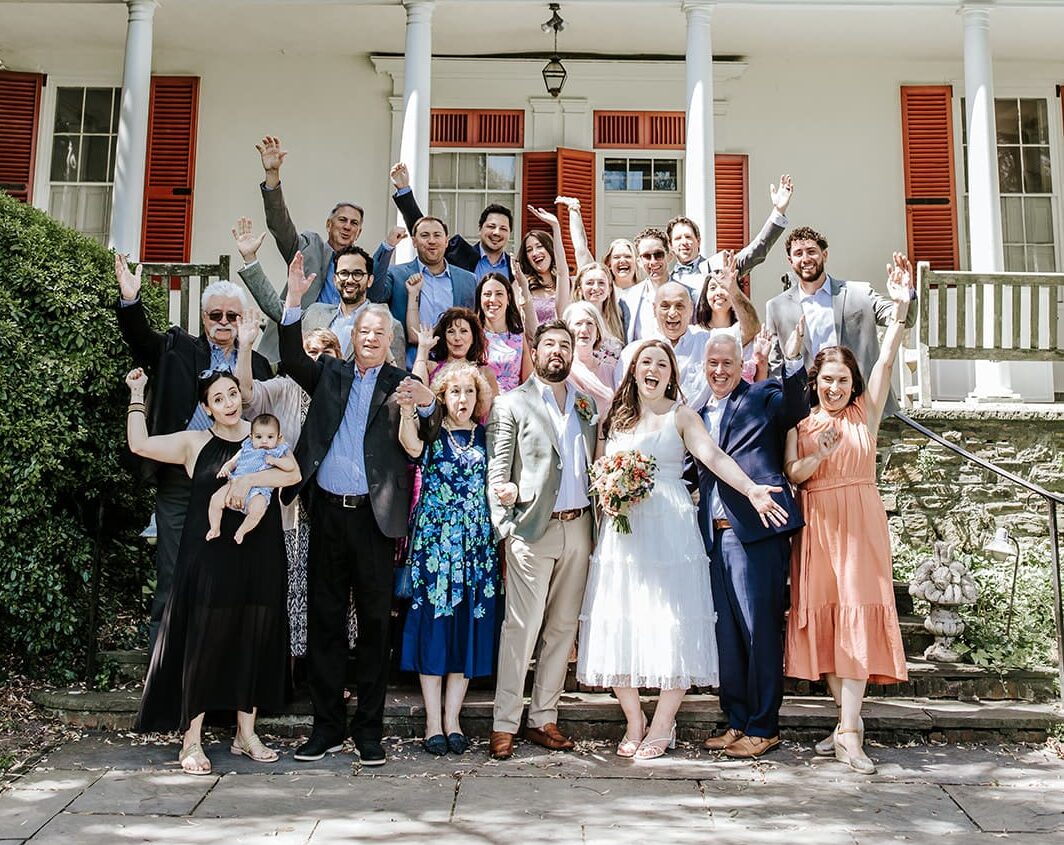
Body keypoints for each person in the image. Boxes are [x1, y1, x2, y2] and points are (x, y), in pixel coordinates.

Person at [577, 340, 788, 760]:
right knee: (619, 621)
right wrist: (609, 493)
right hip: (624, 536)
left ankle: (663, 722)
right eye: (645, 362)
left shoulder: (683, 416)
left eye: (662, 363)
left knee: (673, 623)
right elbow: (598, 472)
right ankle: (635, 719)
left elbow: (713, 456)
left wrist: (752, 490)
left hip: (671, 533)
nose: (652, 369)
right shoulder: (614, 420)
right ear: (633, 370)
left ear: (672, 374)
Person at [279, 254, 439, 766]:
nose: (370, 338)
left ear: (390, 339)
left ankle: (369, 730)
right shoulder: (328, 373)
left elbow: (427, 435)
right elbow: (290, 354)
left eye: (379, 332)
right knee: (325, 622)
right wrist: (292, 299)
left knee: (374, 627)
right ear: (351, 335)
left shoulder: (401, 384)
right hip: (325, 512)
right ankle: (326, 726)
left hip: (376, 519)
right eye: (364, 331)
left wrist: (429, 401)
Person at [128, 367, 299, 775]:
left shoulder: (263, 437)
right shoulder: (194, 443)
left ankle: (246, 733)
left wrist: (248, 480)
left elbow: (292, 473)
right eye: (217, 398)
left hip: (258, 552)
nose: (228, 402)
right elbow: (138, 444)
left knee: (253, 635)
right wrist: (137, 393)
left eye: (232, 394)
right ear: (206, 408)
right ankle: (191, 739)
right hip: (208, 556)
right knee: (201, 641)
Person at [784, 253, 915, 775]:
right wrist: (819, 453)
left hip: (859, 526)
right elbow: (793, 473)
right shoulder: (804, 422)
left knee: (858, 618)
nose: (834, 387)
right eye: (826, 380)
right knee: (831, 623)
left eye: (842, 380)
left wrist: (900, 307)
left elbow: (884, 360)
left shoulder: (866, 413)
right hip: (818, 527)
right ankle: (843, 726)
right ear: (815, 382)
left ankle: (850, 730)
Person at [115, 255, 273, 647]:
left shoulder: (259, 365)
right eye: (215, 314)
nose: (223, 321)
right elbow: (140, 340)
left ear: (242, 320)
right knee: (172, 575)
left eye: (232, 316)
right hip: (181, 482)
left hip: (234, 486)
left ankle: (212, 674)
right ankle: (162, 670)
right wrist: (130, 301)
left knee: (225, 577)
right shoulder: (177, 348)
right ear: (204, 319)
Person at [695, 330, 808, 759]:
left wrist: (793, 358)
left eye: (727, 363)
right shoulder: (696, 412)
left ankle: (764, 726)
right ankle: (737, 720)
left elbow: (798, 408)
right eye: (713, 364)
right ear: (704, 367)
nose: (720, 371)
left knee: (759, 631)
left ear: (739, 364)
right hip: (715, 535)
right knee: (728, 635)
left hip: (759, 532)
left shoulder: (763, 396)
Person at [486, 321, 597, 761]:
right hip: (532, 530)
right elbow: (497, 471)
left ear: (572, 354)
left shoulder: (585, 405)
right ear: (534, 349)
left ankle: (543, 717)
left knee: (562, 628)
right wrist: (505, 528)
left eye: (564, 345)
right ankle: (504, 723)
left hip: (580, 527)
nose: (557, 351)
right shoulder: (511, 403)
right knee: (521, 627)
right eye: (549, 343)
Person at [233, 320, 356, 662]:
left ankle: (329, 666)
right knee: (289, 585)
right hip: (290, 508)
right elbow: (246, 396)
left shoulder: (346, 391)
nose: (317, 360)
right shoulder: (284, 387)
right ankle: (287, 668)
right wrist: (245, 348)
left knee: (332, 589)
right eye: (310, 352)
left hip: (333, 506)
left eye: (325, 353)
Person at [398, 361, 499, 756]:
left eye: (469, 392)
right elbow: (410, 444)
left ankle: (454, 718)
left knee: (465, 630)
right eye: (455, 391)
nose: (463, 398)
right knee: (433, 629)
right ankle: (432, 721)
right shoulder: (434, 433)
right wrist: (410, 406)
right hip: (436, 549)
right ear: (443, 396)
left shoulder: (488, 437)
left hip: (476, 548)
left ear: (479, 398)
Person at [253, 135, 403, 362]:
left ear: (359, 233)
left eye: (354, 224)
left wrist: (387, 247)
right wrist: (272, 176)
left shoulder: (358, 267)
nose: (347, 226)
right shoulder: (309, 247)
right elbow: (280, 226)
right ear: (328, 225)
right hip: (297, 345)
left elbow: (375, 293)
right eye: (342, 220)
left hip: (344, 354)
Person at [764, 226, 919, 416]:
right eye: (798, 253)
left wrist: (907, 295)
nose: (805, 259)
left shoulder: (860, 293)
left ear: (825, 255)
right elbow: (776, 366)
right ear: (790, 260)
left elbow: (905, 319)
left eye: (812, 251)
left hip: (860, 405)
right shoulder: (776, 307)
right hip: (808, 412)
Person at [235, 219, 406, 366]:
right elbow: (277, 309)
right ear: (335, 279)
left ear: (369, 280)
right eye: (344, 273)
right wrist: (250, 259)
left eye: (357, 273)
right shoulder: (316, 313)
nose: (350, 279)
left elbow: (395, 383)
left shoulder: (390, 326)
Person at [666, 174, 794, 298]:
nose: (684, 242)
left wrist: (778, 212)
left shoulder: (720, 264)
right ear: (670, 246)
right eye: (678, 238)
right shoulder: (666, 280)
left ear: (698, 241)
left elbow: (755, 251)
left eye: (688, 237)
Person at [390, 162, 513, 283]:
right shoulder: (458, 252)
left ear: (509, 233)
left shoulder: (515, 268)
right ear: (480, 229)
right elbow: (423, 228)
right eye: (491, 226)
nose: (496, 232)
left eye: (503, 228)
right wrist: (404, 190)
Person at [379, 216, 478, 365]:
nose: (431, 240)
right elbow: (374, 293)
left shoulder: (468, 280)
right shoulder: (396, 274)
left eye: (437, 235)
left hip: (454, 368)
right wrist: (388, 247)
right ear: (414, 241)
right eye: (424, 235)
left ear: (446, 241)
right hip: (408, 365)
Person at [616, 282, 713, 412]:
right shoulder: (632, 353)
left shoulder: (709, 343)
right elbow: (622, 401)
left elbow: (747, 334)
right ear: (654, 309)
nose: (672, 313)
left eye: (679, 306)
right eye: (665, 306)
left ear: (691, 309)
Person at [206, 412, 296, 545]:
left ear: (278, 438)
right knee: (215, 499)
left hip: (259, 491)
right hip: (235, 483)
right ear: (251, 437)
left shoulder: (277, 452)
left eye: (270, 437)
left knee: (258, 509)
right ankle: (215, 527)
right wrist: (226, 469)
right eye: (259, 437)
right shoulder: (246, 448)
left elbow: (291, 466)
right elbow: (233, 462)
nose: (264, 441)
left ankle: (242, 530)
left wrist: (275, 461)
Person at [694, 250, 764, 383]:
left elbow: (752, 327)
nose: (719, 292)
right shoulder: (696, 333)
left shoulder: (742, 330)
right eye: (713, 287)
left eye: (724, 288)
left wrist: (733, 288)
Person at [411, 307, 500, 410]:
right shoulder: (430, 367)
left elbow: (495, 414)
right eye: (451, 332)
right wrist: (423, 349)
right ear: (444, 338)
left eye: (463, 331)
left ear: (473, 338)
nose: (457, 338)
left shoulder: (486, 373)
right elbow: (416, 393)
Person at [557, 196, 639, 291]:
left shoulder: (647, 287)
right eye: (616, 257)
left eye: (628, 256)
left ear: (637, 261)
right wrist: (573, 208)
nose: (622, 260)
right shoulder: (601, 286)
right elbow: (581, 249)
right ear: (609, 263)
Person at [476, 272, 533, 393]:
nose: (492, 299)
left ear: (508, 299)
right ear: (480, 299)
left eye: (499, 294)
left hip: (514, 405)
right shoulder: (473, 334)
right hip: (483, 405)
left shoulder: (518, 335)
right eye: (487, 294)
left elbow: (529, 381)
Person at [519, 206, 571, 325]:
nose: (535, 253)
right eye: (529, 250)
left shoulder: (569, 283)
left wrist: (556, 227)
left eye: (539, 246)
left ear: (550, 249)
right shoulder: (522, 285)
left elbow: (562, 271)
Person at [620, 227, 673, 343]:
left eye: (658, 255)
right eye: (647, 256)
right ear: (639, 262)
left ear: (669, 256)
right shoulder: (627, 298)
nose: (653, 261)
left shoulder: (688, 293)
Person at [563, 301, 615, 415]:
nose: (584, 330)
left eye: (590, 323)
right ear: (567, 330)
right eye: (578, 324)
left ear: (598, 331)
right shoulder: (564, 371)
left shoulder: (611, 370)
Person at [571, 262, 626, 362]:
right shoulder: (573, 319)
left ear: (609, 289)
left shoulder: (618, 320)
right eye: (590, 283)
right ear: (579, 289)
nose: (596, 288)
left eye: (601, 283)